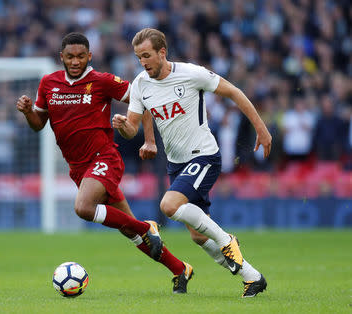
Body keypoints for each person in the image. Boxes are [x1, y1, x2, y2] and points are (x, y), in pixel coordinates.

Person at [16, 32, 193, 293]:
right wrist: (29, 111)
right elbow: (38, 124)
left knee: (84, 208)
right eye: (70, 57)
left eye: (80, 57)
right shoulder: (48, 83)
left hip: (104, 159)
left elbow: (142, 99)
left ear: (89, 56)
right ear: (61, 58)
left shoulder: (101, 81)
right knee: (132, 233)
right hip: (78, 169)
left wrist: (150, 140)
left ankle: (147, 226)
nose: (75, 62)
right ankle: (180, 269)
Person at [113, 28, 272, 298]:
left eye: (147, 56)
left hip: (204, 156)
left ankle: (226, 240)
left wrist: (262, 129)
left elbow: (233, 92)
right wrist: (124, 127)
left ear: (162, 52)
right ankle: (252, 277)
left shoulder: (191, 74)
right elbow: (133, 127)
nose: (143, 62)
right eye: (139, 57)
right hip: (176, 165)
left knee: (169, 205)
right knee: (199, 236)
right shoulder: (140, 83)